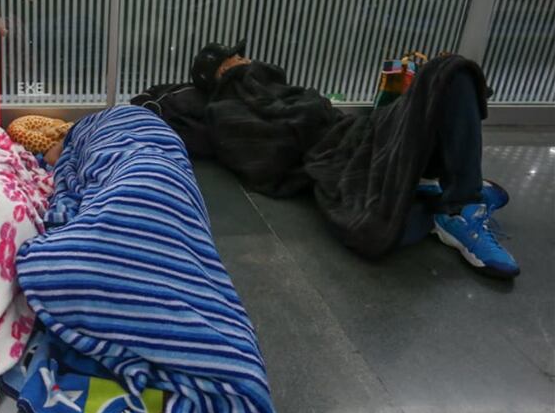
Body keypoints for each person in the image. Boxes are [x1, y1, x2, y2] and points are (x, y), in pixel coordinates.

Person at [132, 39, 520, 279]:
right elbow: (268, 162)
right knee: (373, 228)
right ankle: (454, 201)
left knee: (452, 72)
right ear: (221, 77)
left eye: (241, 57)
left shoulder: (282, 88)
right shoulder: (227, 113)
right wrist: (306, 120)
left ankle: (457, 200)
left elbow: (324, 115)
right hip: (342, 155)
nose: (245, 62)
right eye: (233, 63)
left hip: (359, 134)